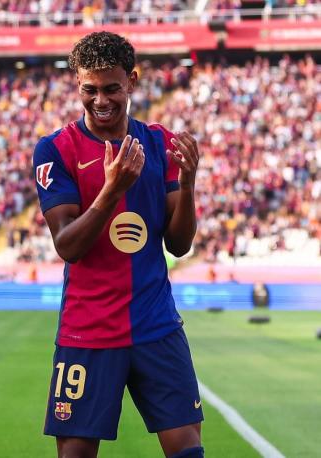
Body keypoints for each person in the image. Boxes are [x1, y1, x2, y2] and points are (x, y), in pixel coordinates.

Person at [33, 32, 203, 458]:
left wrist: (188, 183)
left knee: (187, 450)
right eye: (89, 90)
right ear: (77, 85)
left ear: (133, 80)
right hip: (87, 330)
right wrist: (111, 192)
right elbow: (67, 245)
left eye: (112, 88)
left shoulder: (160, 143)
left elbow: (179, 244)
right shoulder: (55, 149)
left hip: (156, 324)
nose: (100, 100)